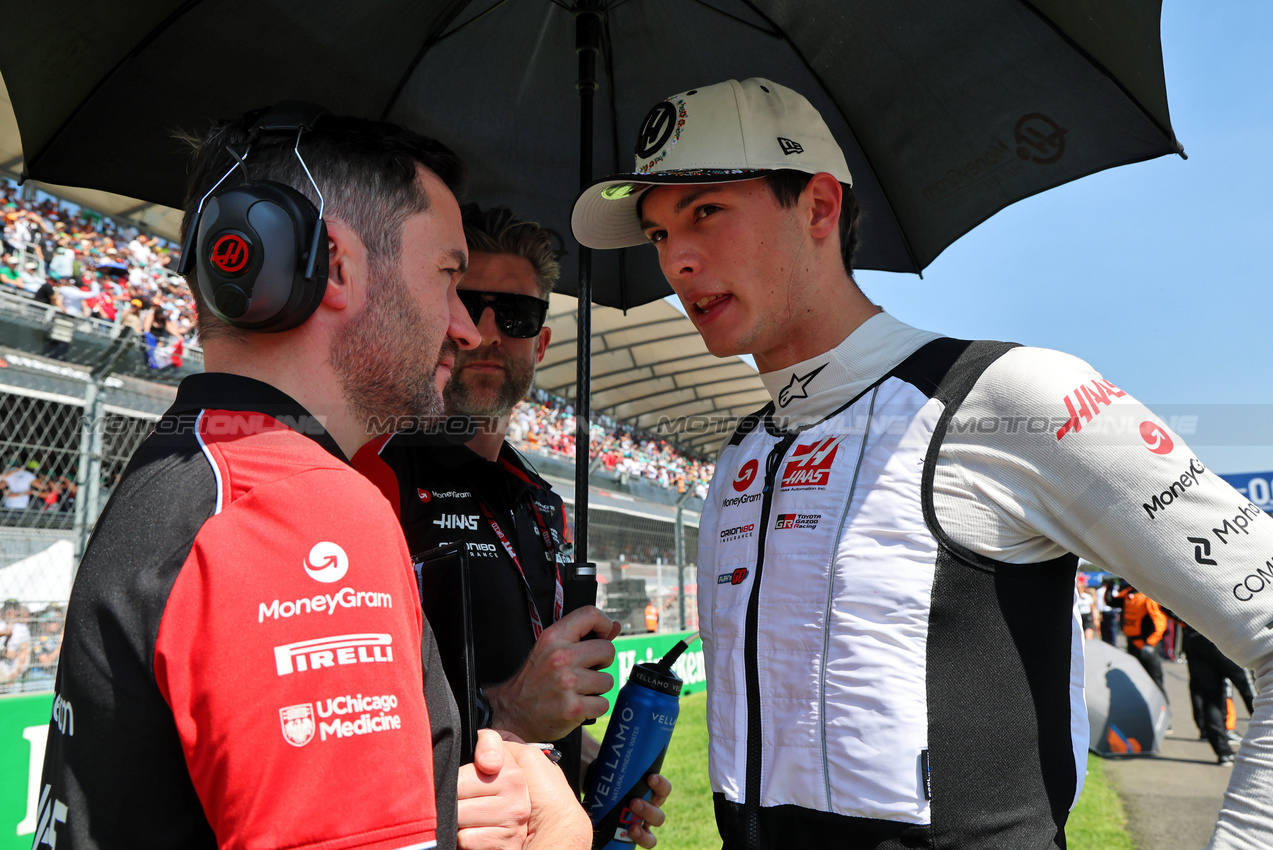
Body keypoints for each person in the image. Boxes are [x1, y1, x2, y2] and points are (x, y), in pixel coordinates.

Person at [571, 77, 1273, 849]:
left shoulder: (1011, 394)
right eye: (657, 233)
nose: (676, 260)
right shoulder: (741, 451)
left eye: (705, 212)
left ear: (818, 208)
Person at [36, 108, 588, 850]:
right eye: (448, 276)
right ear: (335, 266)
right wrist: (560, 836)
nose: (464, 327)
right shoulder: (302, 506)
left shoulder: (184, 464)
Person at [354, 204, 670, 847]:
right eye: (470, 305)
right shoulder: (372, 472)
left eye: (517, 316)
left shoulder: (543, 502)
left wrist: (581, 762)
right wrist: (509, 712)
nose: (488, 333)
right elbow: (349, 709)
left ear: (541, 344)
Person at [1184, 623, 1254, 766]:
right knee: (1251, 691)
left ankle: (1223, 753)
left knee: (1211, 697)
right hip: (1219, 637)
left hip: (1194, 638)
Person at [1113, 583, 1169, 698]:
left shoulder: (1147, 597)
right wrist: (1108, 587)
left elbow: (1159, 622)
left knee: (1154, 678)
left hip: (1146, 645)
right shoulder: (1128, 596)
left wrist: (1150, 644)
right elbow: (1112, 601)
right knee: (1136, 677)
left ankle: (1162, 703)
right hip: (1132, 643)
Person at [1075, 575, 1100, 641]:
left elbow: (1092, 608)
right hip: (1078, 617)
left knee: (1088, 637)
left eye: (1080, 587)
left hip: (1087, 617)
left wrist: (1095, 620)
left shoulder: (1087, 597)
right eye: (1077, 588)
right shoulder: (1075, 598)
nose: (1079, 589)